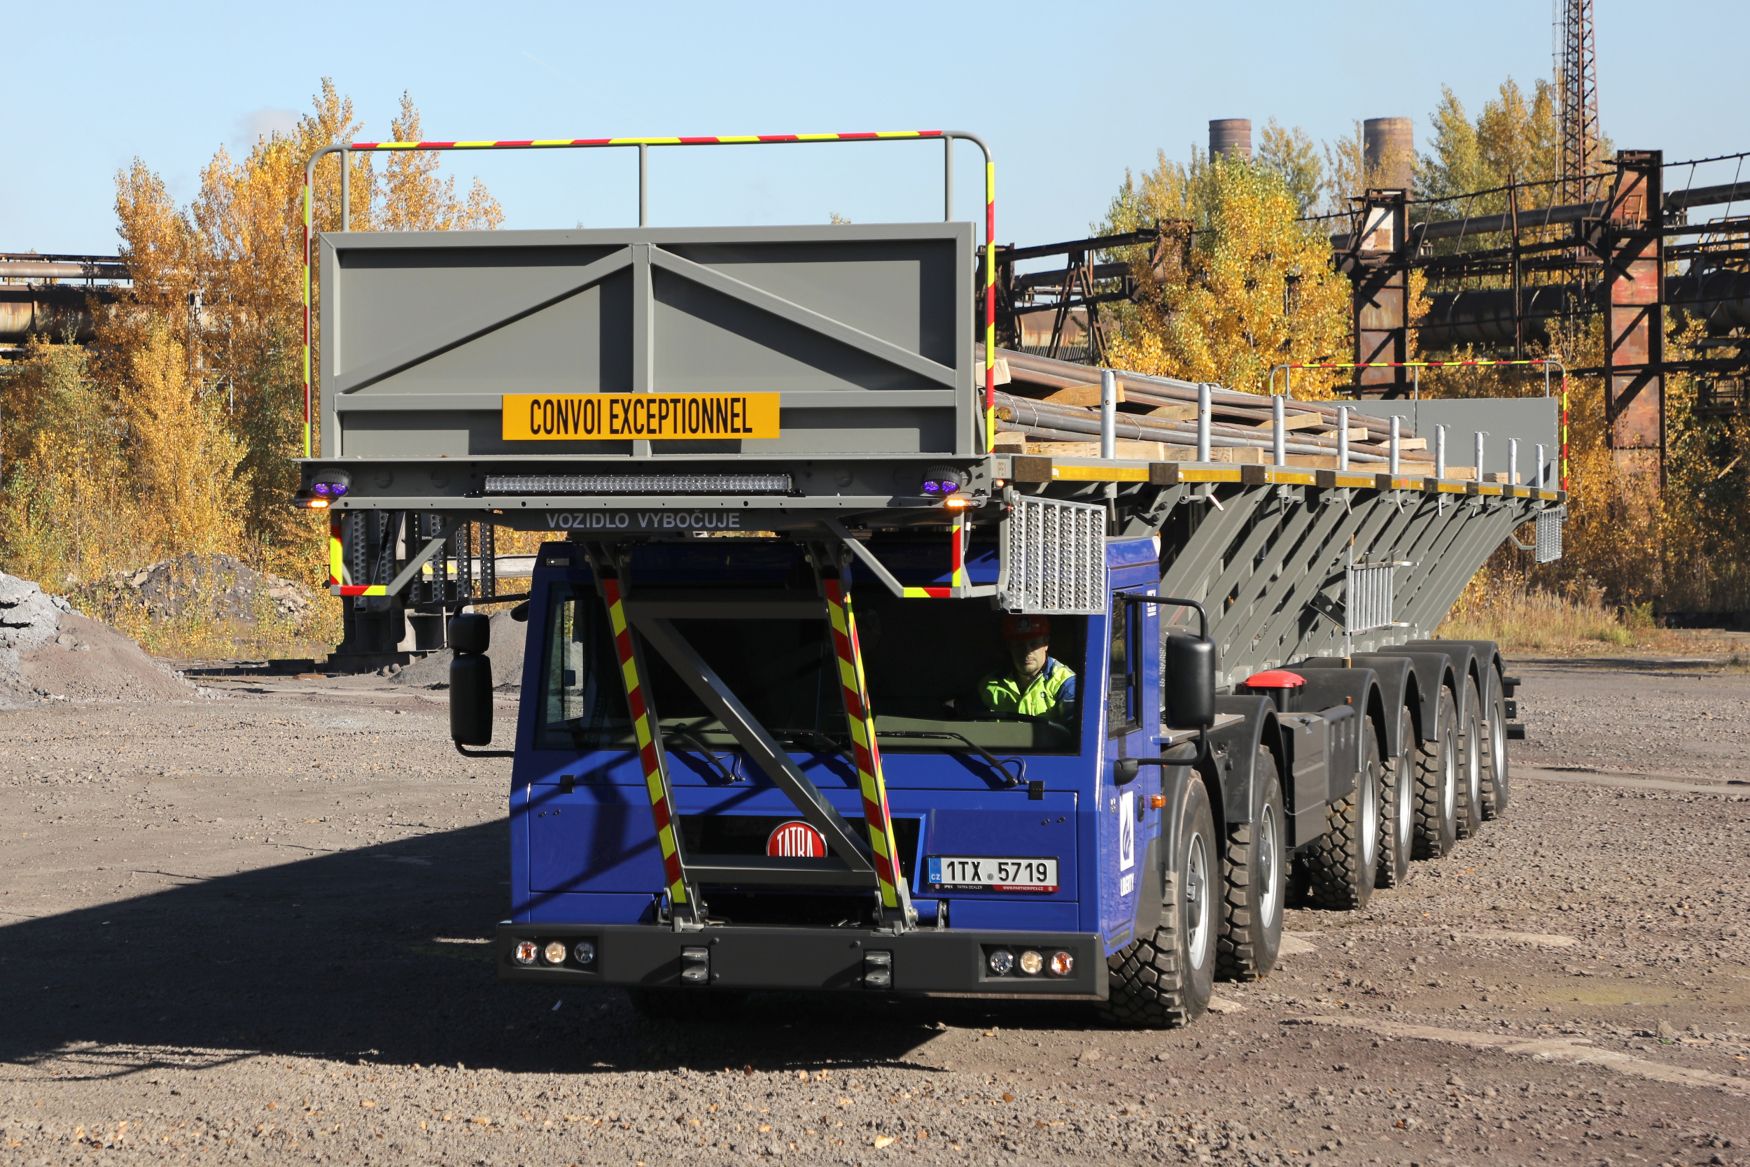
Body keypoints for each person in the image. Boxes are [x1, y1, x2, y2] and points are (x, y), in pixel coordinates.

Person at [978, 614, 1077, 721]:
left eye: (1033, 644)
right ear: (1009, 646)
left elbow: (1074, 727)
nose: (1027, 651)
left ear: (1046, 643)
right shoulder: (989, 684)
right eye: (1019, 645)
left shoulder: (1066, 683)